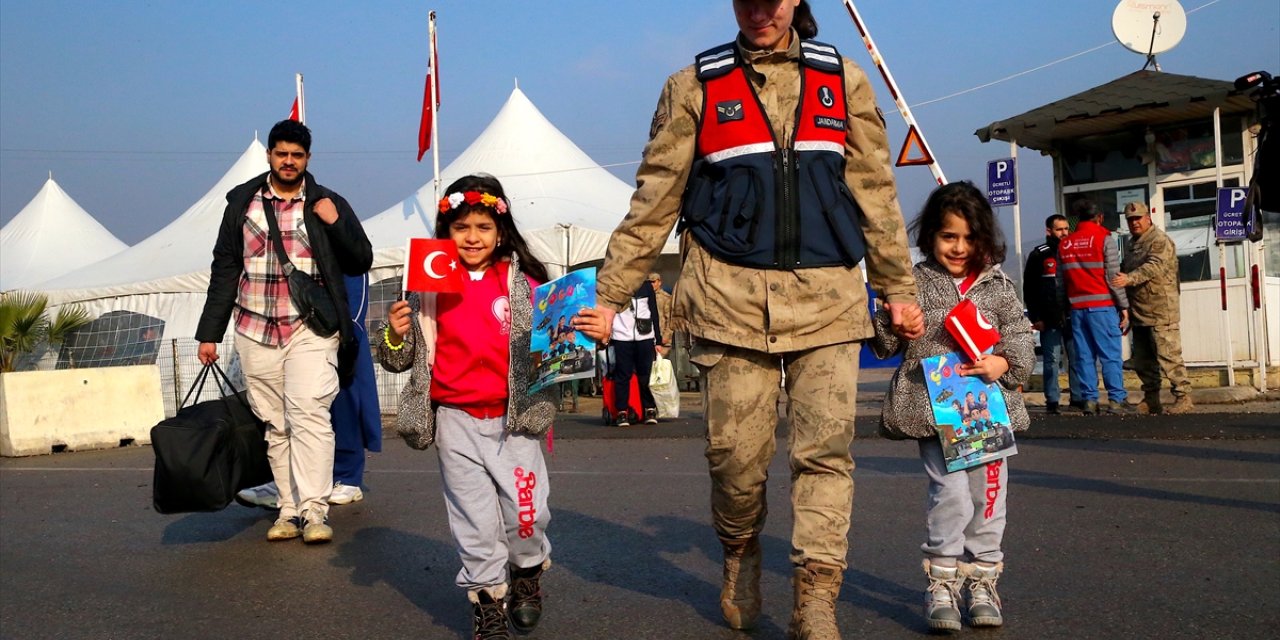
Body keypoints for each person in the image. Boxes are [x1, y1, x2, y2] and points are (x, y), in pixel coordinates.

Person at [573, 2, 924, 637]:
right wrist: (610, 293)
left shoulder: (842, 78)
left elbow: (875, 189)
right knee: (736, 462)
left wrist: (898, 285)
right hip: (728, 304)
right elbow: (656, 197)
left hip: (830, 300)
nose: (761, 10)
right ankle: (738, 554)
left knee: (826, 457)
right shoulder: (693, 85)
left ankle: (817, 598)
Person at [378, 174, 557, 640]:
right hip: (455, 419)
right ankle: (487, 601)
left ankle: (526, 574)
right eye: (461, 228)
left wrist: (578, 329)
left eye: (482, 226)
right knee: (474, 522)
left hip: (513, 418)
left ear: (500, 231)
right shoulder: (424, 284)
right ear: (446, 230)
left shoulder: (525, 279)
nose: (472, 237)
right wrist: (395, 331)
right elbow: (396, 359)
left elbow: (557, 344)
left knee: (527, 516)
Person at [195, 119, 372, 544]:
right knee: (276, 424)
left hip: (310, 328)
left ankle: (314, 511)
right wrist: (209, 333)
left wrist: (336, 223)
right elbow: (225, 269)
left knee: (309, 413)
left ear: (308, 158)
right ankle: (288, 510)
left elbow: (360, 259)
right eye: (281, 154)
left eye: (297, 155)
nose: (288, 161)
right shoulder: (241, 203)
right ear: (270, 155)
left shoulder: (327, 201)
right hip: (255, 327)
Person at [870, 181, 1034, 632]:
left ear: (983, 237)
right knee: (951, 495)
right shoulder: (914, 283)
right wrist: (896, 323)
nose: (959, 247)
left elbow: (1019, 337)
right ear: (930, 237)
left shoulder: (998, 285)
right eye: (948, 236)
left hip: (988, 414)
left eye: (968, 237)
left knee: (988, 500)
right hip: (934, 409)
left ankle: (981, 580)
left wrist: (1004, 361)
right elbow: (882, 343)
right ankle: (941, 582)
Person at [235, 272, 383, 509]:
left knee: (343, 402)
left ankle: (346, 476)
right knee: (289, 408)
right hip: (293, 324)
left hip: (334, 324)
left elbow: (356, 270)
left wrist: (349, 328)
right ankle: (287, 482)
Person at [1112, 202, 1194, 414]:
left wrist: (1129, 279)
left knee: (1169, 356)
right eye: (1131, 220)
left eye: (1138, 218)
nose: (1135, 223)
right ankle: (1151, 399)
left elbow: (1154, 266)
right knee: (1144, 360)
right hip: (1140, 311)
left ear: (1148, 218)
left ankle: (1183, 397)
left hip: (1160, 310)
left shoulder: (1159, 240)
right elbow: (1124, 270)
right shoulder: (1132, 244)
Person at [1058, 199, 1134, 415]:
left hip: (1076, 309)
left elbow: (1060, 283)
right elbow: (1113, 276)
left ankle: (1090, 401)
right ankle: (1117, 400)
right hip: (1102, 307)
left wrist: (1064, 308)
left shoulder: (1065, 244)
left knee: (1084, 356)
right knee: (1110, 355)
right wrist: (1124, 305)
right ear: (1099, 217)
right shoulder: (1104, 238)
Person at [1022, 214, 1080, 414]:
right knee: (1052, 360)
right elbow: (1029, 288)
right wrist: (1036, 317)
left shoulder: (1073, 252)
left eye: (1066, 229)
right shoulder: (1039, 254)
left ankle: (1078, 398)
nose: (1064, 233)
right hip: (1049, 317)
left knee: (1076, 357)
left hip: (1073, 315)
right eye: (1059, 229)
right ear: (1049, 231)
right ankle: (1053, 401)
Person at [608, 280, 661, 426]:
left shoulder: (645, 285)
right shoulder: (613, 285)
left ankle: (649, 409)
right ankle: (622, 411)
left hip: (645, 336)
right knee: (622, 375)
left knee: (646, 376)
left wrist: (659, 339)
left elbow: (654, 311)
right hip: (621, 336)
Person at [648, 272, 673, 352]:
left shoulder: (666, 298)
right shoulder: (645, 296)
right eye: (650, 282)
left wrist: (666, 337)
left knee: (661, 364)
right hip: (649, 338)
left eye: (653, 282)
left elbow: (670, 319)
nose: (652, 284)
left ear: (659, 282)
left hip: (662, 340)